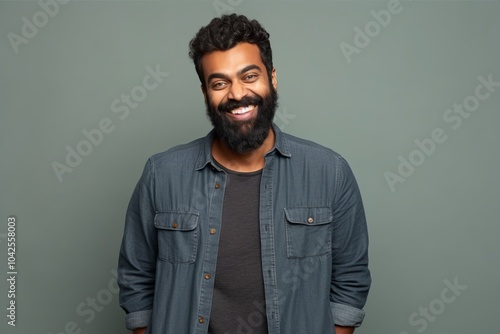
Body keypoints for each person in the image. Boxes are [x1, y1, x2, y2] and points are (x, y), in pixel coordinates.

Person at [117, 13, 371, 334]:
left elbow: (350, 279)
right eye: (220, 83)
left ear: (273, 78)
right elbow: (136, 280)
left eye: (249, 76)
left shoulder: (329, 172)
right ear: (205, 92)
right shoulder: (162, 174)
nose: (237, 94)